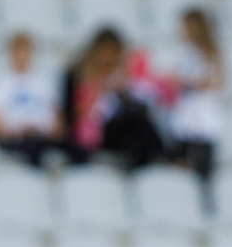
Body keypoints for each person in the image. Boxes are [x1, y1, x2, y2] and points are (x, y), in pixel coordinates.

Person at [61, 26, 166, 171]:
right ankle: (164, 156)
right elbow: (72, 116)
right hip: (92, 134)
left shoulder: (120, 79)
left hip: (118, 131)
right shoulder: (76, 76)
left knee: (136, 123)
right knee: (134, 121)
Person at [0, 32, 62, 169]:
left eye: (26, 50)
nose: (22, 56)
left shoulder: (44, 84)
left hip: (42, 137)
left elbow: (58, 124)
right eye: (18, 50)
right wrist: (19, 131)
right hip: (15, 139)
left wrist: (42, 130)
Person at [169, 8, 224, 183]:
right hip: (186, 123)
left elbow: (213, 83)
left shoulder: (209, 54)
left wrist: (185, 81)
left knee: (202, 175)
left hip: (204, 124)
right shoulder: (187, 53)